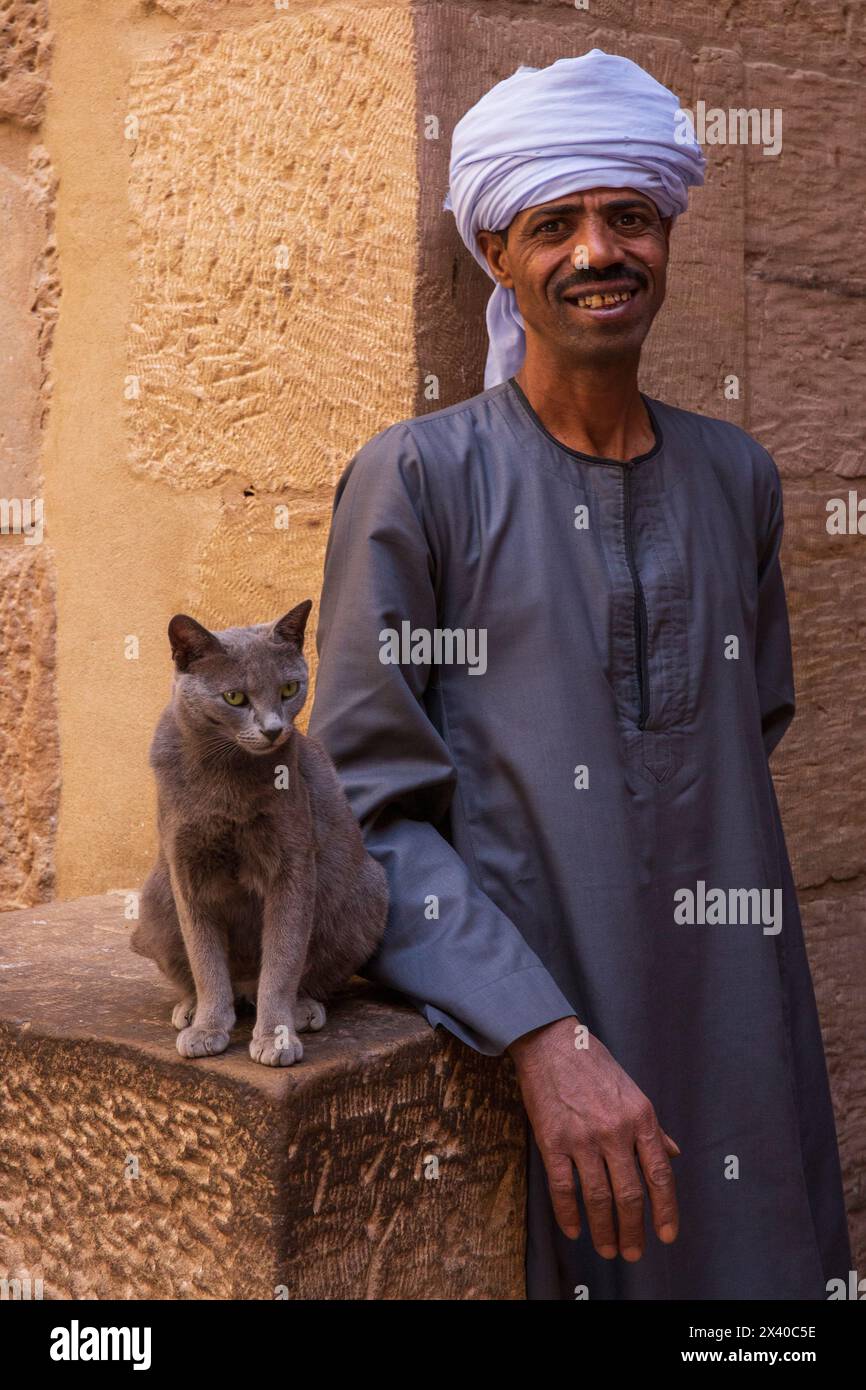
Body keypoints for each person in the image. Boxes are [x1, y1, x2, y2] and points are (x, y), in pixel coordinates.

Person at [308, 49, 851, 1299]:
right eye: (552, 223)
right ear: (497, 252)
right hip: (531, 1028)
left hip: (738, 1032)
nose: (595, 253)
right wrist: (538, 1031)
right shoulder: (420, 480)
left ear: (665, 237)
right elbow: (360, 808)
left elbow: (737, 724)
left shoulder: (737, 480)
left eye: (628, 218)